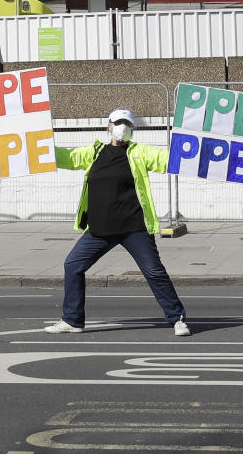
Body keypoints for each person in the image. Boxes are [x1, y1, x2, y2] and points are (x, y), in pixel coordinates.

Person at [45, 108, 189, 337]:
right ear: (108, 126)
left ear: (132, 129)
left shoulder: (139, 152)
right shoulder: (94, 152)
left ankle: (177, 319)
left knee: (154, 272)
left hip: (134, 228)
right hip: (100, 230)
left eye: (127, 124)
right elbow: (66, 157)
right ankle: (72, 320)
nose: (123, 127)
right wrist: (34, 149)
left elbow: (167, 160)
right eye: (118, 123)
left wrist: (195, 149)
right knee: (73, 265)